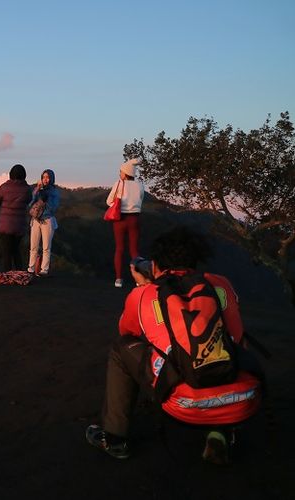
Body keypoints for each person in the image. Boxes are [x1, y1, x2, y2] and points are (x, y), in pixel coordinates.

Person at [86, 226, 264, 464]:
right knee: (229, 342)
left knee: (121, 348)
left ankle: (115, 438)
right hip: (244, 398)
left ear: (156, 264)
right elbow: (237, 334)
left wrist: (143, 289)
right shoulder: (221, 285)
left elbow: (127, 332)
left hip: (185, 404)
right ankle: (220, 431)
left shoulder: (146, 293)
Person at [107, 158, 144, 287]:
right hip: (134, 219)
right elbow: (140, 200)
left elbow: (109, 201)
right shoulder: (139, 185)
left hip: (120, 219)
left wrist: (116, 206)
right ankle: (139, 280)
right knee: (134, 250)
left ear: (125, 172)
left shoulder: (119, 184)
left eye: (121, 171)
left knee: (119, 249)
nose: (120, 174)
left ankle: (118, 279)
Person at [0, 164, 32, 271]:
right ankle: (19, 274)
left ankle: (7, 275)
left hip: (5, 225)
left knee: (6, 252)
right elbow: (29, 200)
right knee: (16, 250)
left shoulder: (4, 187)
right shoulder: (27, 189)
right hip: (19, 225)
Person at [27, 169, 60, 277]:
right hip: (36, 220)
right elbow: (30, 203)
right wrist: (36, 191)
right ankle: (30, 268)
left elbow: (54, 207)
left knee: (46, 247)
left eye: (48, 177)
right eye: (44, 177)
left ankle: (44, 269)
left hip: (47, 220)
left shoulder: (54, 192)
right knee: (33, 246)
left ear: (51, 179)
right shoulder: (37, 190)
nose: (45, 179)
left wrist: (46, 198)